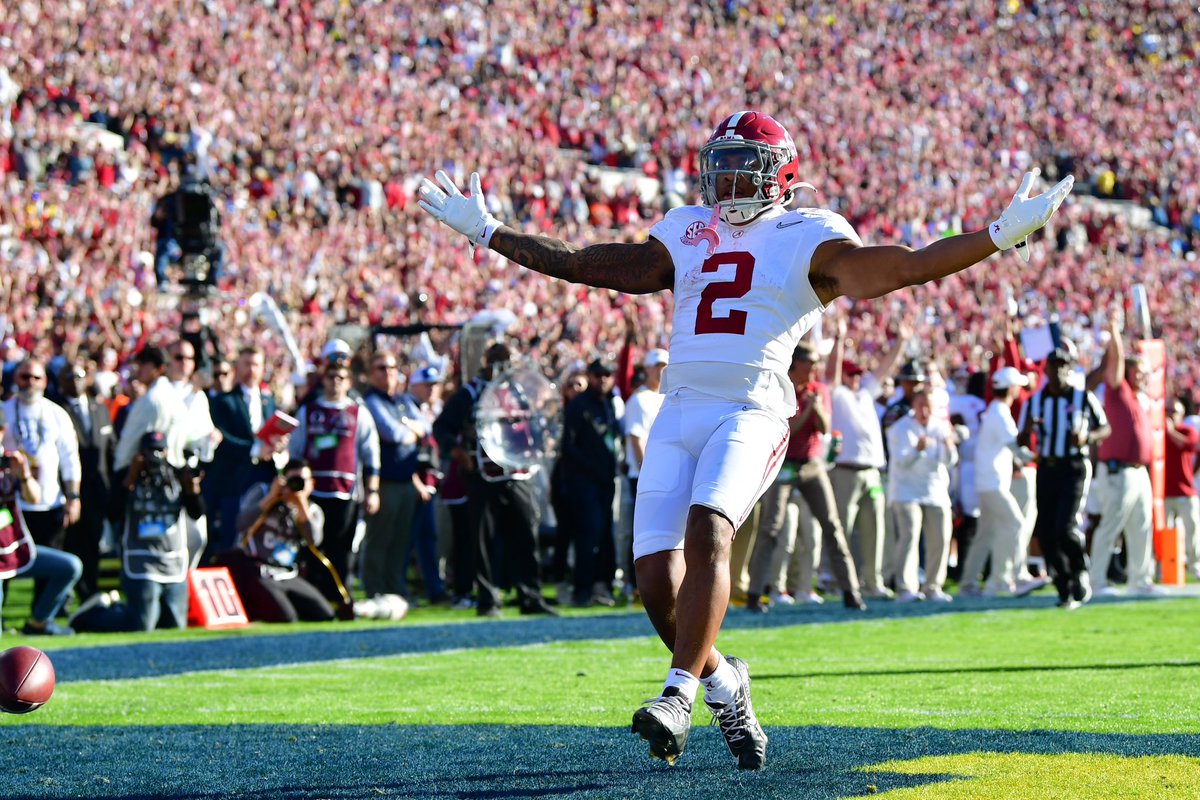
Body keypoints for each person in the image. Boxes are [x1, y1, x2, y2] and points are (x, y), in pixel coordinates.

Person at [419, 109, 1073, 770]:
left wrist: (998, 235)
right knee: (652, 582)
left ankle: (677, 696)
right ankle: (726, 685)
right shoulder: (682, 228)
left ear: (780, 172)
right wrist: (490, 232)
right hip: (678, 410)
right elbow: (596, 263)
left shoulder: (808, 234)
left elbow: (905, 266)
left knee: (709, 530)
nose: (729, 178)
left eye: (744, 165)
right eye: (721, 164)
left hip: (752, 408)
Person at [432, 342, 558, 618]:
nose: (505, 368)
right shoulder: (470, 393)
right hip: (483, 474)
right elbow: (441, 426)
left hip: (518, 472)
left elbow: (532, 423)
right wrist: (457, 453)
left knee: (526, 536)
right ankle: (487, 599)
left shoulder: (518, 391)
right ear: (487, 363)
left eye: (508, 361)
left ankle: (530, 595)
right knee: (483, 540)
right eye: (499, 361)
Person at [748, 341, 865, 612]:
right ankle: (756, 593)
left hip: (812, 465)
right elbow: (788, 430)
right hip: (784, 463)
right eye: (810, 363)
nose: (814, 369)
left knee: (832, 525)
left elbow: (824, 429)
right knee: (771, 528)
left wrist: (817, 408)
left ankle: (851, 591)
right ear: (795, 364)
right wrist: (807, 410)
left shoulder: (819, 390)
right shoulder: (780, 390)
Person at [70, 431, 207, 632]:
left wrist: (192, 490)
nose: (155, 456)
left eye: (159, 450)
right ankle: (94, 614)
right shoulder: (128, 475)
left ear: (168, 452)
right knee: (142, 626)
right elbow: (112, 513)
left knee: (176, 626)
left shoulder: (177, 475)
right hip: (141, 564)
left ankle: (117, 607)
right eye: (150, 451)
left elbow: (197, 513)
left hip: (173, 563)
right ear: (140, 453)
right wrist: (130, 479)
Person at [1018, 346, 1110, 608]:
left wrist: (1087, 437)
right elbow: (1021, 439)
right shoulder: (1034, 402)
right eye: (1054, 365)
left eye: (1063, 366)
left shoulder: (1083, 398)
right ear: (1045, 369)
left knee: (1065, 526)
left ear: (1070, 369)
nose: (1058, 371)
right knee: (1046, 532)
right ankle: (1063, 586)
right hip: (1047, 467)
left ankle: (1079, 570)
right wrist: (1025, 436)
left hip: (1073, 468)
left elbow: (1105, 428)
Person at [827, 319, 908, 601]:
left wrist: (902, 342)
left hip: (872, 471)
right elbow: (832, 375)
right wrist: (838, 340)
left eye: (859, 375)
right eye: (852, 375)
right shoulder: (836, 394)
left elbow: (884, 370)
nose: (857, 379)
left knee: (876, 528)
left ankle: (873, 582)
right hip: (846, 470)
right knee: (843, 531)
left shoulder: (864, 395)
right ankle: (842, 582)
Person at [289, 358, 381, 605]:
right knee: (314, 547)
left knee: (342, 549)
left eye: (340, 378)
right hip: (313, 493)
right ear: (323, 381)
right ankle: (312, 599)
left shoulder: (357, 413)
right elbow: (295, 451)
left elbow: (371, 453)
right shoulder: (309, 411)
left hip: (346, 492)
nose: (335, 382)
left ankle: (342, 597)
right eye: (331, 377)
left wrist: (372, 490)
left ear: (348, 382)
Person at [1, 359, 82, 612]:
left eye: (36, 378)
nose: (30, 383)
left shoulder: (57, 413)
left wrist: (73, 496)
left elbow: (70, 459)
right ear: (16, 379)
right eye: (25, 377)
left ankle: (39, 622)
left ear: (45, 381)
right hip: (10, 508)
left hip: (47, 500)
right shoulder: (4, 410)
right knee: (6, 565)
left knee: (49, 570)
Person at [219, 459, 336, 623]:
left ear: (311, 484)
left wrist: (301, 506)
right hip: (256, 569)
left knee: (324, 614)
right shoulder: (263, 492)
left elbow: (314, 541)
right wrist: (272, 498)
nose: (296, 485)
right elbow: (241, 523)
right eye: (292, 480)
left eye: (302, 481)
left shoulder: (312, 510)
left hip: (286, 573)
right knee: (286, 617)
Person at [1090, 318, 1159, 596]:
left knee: (1142, 526)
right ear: (1128, 373)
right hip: (1119, 472)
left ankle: (1140, 580)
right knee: (1111, 526)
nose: (1144, 376)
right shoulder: (1118, 391)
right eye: (1140, 371)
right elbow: (1115, 362)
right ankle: (1097, 581)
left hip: (1138, 471)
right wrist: (1116, 330)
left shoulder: (1138, 399)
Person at [362, 351, 431, 600]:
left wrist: (410, 428)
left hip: (406, 481)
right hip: (385, 482)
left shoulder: (401, 401)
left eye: (392, 367)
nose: (388, 372)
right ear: (372, 374)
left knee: (401, 541)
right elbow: (393, 433)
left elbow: (425, 426)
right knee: (380, 539)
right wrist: (411, 429)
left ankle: (394, 590)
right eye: (381, 368)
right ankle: (375, 591)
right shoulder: (371, 400)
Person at [959, 367, 1031, 598]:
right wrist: (1038, 457)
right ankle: (1008, 578)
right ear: (1011, 388)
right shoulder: (1000, 412)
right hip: (992, 482)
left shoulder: (996, 410)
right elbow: (1015, 446)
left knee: (985, 534)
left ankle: (970, 583)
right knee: (1015, 523)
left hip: (988, 481)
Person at [885, 385, 958, 603]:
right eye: (920, 406)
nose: (924, 411)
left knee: (941, 538)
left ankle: (933, 586)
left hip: (935, 490)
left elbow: (950, 461)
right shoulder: (900, 428)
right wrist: (917, 450)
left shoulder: (941, 427)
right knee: (909, 537)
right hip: (906, 492)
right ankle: (906, 587)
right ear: (913, 406)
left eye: (928, 406)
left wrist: (950, 447)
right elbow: (900, 462)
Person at [561, 358, 622, 607]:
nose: (603, 379)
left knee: (604, 535)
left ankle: (601, 586)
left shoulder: (607, 405)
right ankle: (582, 590)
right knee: (588, 535)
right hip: (584, 483)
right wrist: (591, 468)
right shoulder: (578, 405)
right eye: (598, 374)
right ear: (590, 376)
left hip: (605, 482)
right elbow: (568, 445)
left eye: (607, 374)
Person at [54, 358, 116, 602]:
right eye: (69, 377)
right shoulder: (57, 410)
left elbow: (111, 450)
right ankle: (61, 600)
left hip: (97, 492)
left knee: (92, 545)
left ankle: (89, 594)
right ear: (61, 381)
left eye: (79, 376)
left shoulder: (99, 409)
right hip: (67, 493)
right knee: (66, 546)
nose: (75, 381)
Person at [207, 346, 279, 553]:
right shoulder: (223, 401)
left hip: (263, 475)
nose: (251, 369)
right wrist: (255, 450)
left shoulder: (268, 400)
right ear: (237, 367)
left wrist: (276, 445)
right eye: (247, 363)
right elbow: (224, 438)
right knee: (232, 534)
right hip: (235, 478)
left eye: (256, 364)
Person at [622, 349, 669, 600]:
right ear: (647, 369)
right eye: (657, 366)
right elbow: (636, 439)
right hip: (645, 474)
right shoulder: (639, 400)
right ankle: (640, 587)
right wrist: (647, 473)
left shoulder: (668, 396)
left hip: (665, 473)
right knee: (647, 534)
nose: (662, 370)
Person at [1163, 398, 1199, 581]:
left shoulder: (1188, 430)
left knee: (1192, 531)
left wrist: (1170, 431)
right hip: (1165, 492)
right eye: (1167, 410)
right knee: (1164, 533)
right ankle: (1163, 568)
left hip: (1186, 490)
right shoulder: (1158, 433)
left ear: (1182, 414)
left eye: (1174, 411)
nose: (1169, 414)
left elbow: (1189, 445)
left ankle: (1194, 565)